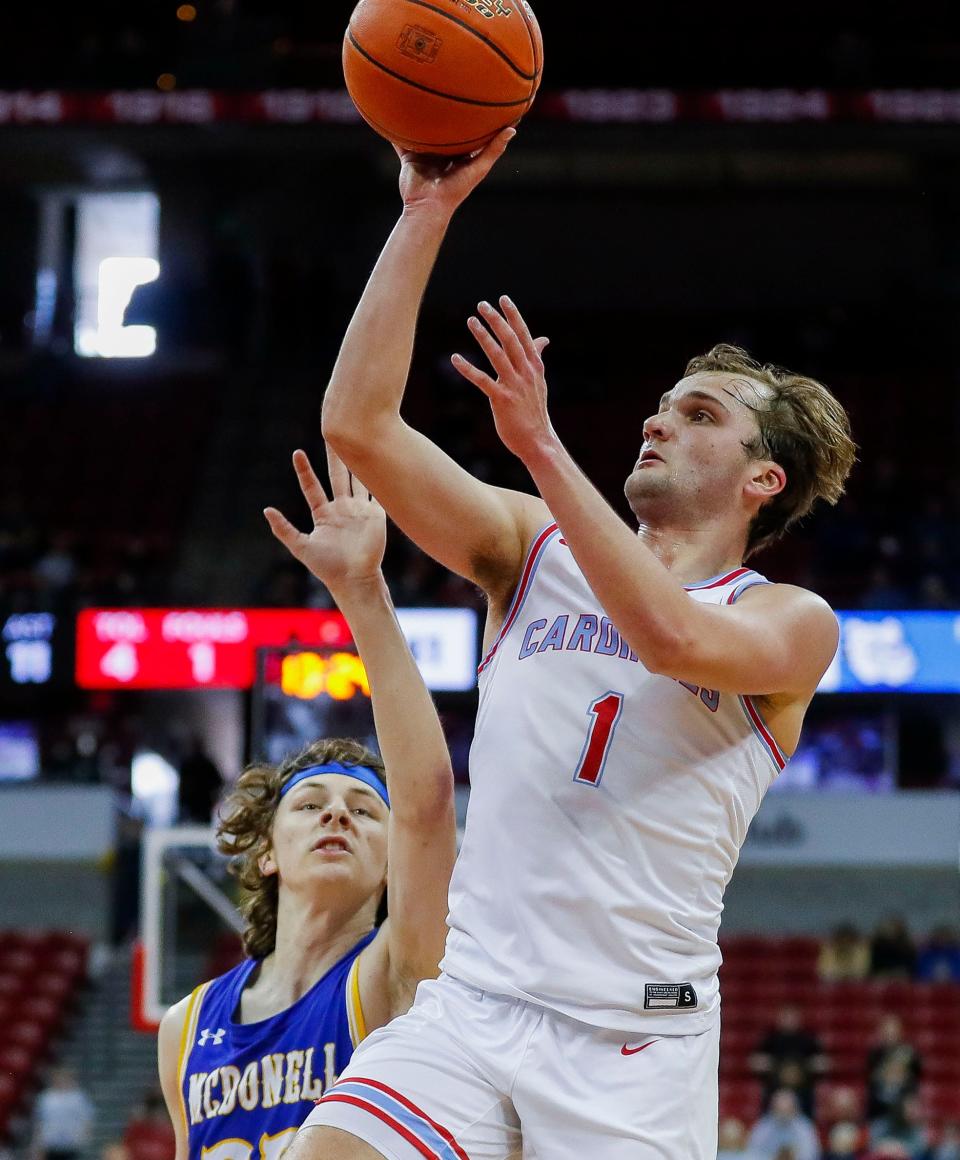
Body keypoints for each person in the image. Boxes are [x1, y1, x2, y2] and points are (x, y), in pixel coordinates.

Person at [293, 129, 855, 1160]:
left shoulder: (786, 620)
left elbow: (670, 634)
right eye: (658, 407)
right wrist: (424, 216)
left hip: (632, 1045)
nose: (657, 422)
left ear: (762, 477)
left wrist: (542, 445)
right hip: (474, 1003)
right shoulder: (527, 545)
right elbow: (359, 424)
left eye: (697, 415)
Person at [157, 448, 457, 1160]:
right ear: (265, 852)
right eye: (311, 804)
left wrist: (362, 592)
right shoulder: (185, 1025)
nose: (337, 815)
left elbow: (427, 802)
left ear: (393, 863)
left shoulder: (393, 976)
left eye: (363, 810)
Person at [751, 1004, 830, 1117]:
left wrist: (809, 1065)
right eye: (786, 1017)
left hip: (803, 1090)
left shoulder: (808, 1039)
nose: (789, 1021)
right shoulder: (770, 1038)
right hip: (775, 1089)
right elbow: (754, 1061)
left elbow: (824, 1062)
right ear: (779, 1018)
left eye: (792, 1017)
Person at [30, 1067, 95, 1160]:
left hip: (71, 1144)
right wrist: (36, 1144)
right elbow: (40, 1122)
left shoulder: (78, 1098)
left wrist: (84, 1136)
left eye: (64, 1078)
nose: (61, 1081)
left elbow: (87, 1119)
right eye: (59, 1078)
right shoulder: (46, 1098)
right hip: (50, 1143)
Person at [867, 1016, 922, 1120]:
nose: (890, 1034)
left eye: (893, 1030)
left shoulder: (910, 1053)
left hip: (905, 1115)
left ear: (900, 1032)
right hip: (879, 1113)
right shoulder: (875, 1054)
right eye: (887, 1030)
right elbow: (871, 1082)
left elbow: (917, 1077)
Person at [747, 1089, 821, 1160]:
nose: (783, 1113)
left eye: (787, 1109)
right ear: (772, 1108)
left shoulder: (804, 1127)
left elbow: (812, 1154)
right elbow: (752, 1152)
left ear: (794, 1109)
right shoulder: (763, 1126)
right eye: (779, 1109)